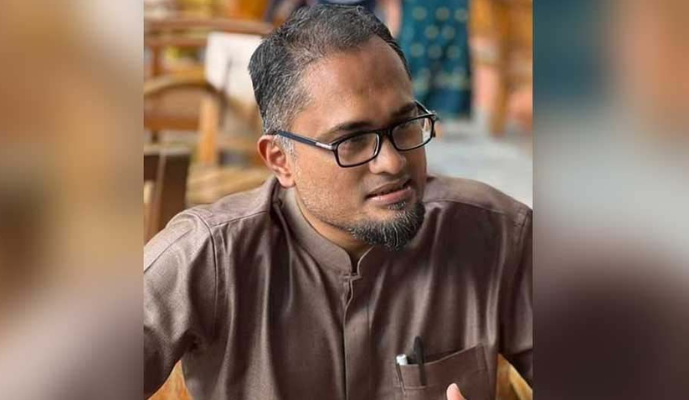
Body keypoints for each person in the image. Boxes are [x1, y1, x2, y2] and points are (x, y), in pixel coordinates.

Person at [144, 5, 532, 400]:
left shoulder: (499, 235)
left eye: (405, 125)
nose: (393, 162)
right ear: (280, 160)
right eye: (353, 140)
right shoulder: (208, 256)